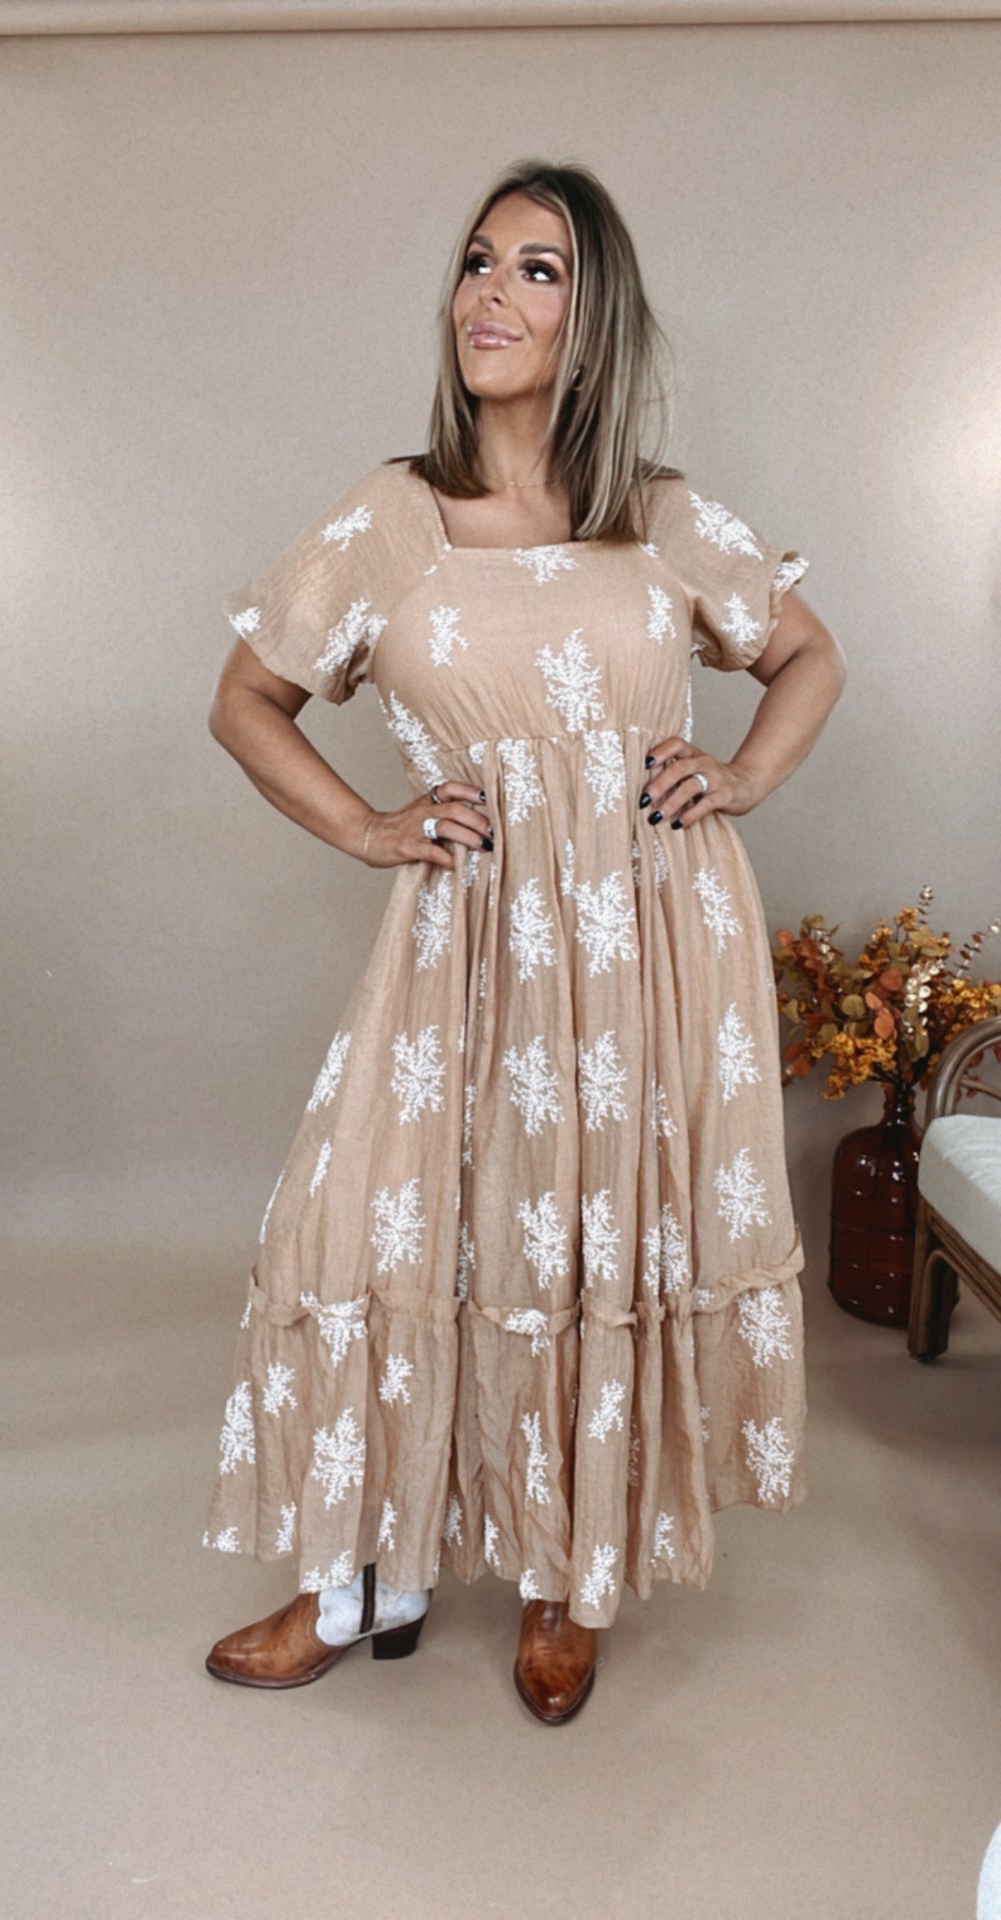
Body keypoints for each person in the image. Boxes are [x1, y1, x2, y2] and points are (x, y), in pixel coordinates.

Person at [200, 158, 846, 1724]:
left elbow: (808, 655)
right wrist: (370, 827)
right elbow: (247, 700)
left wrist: (743, 775)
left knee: (589, 1243)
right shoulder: (392, 517)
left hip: (648, 944)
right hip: (469, 941)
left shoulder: (661, 518)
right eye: (478, 261)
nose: (491, 293)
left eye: (538, 269)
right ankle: (368, 1572)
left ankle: (570, 1573)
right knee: (378, 1229)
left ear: (591, 312)